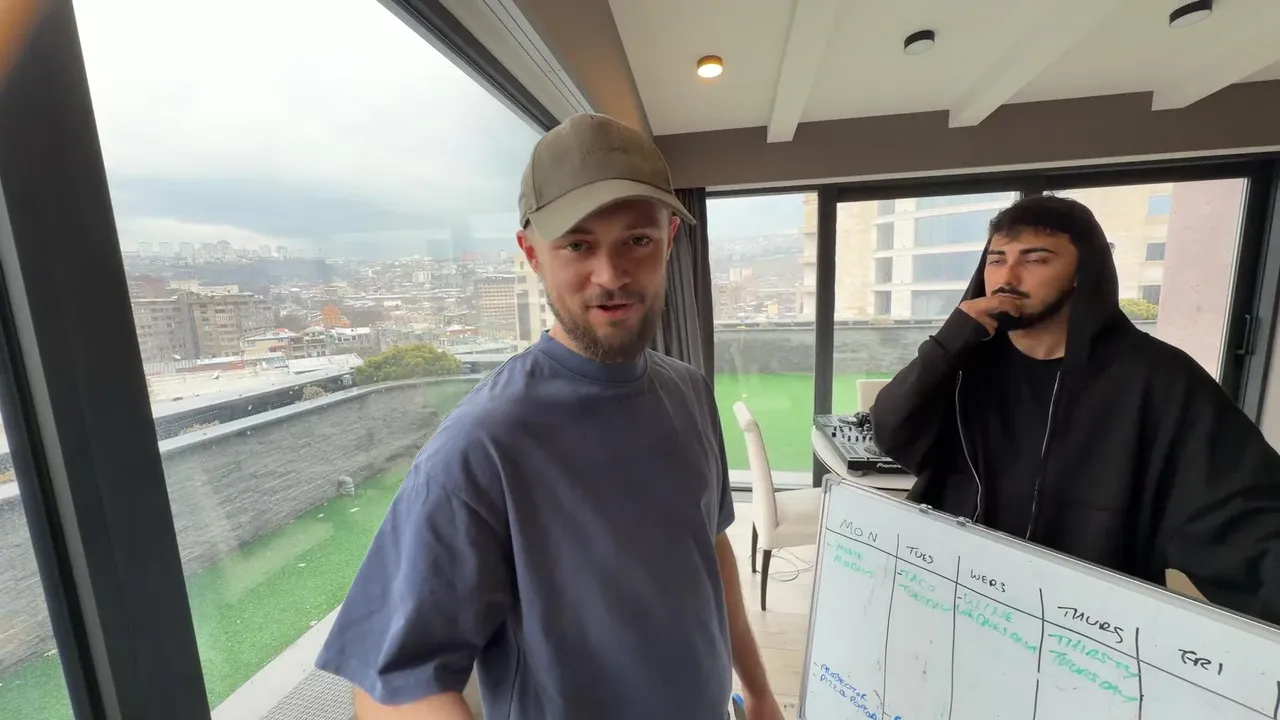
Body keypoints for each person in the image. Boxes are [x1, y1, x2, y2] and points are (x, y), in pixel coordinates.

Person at [315, 113, 784, 720]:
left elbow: (710, 550)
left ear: (669, 239)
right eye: (578, 245)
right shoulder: (483, 444)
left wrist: (759, 691)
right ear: (532, 253)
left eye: (636, 240)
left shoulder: (689, 392)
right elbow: (391, 687)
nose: (610, 275)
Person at [870, 194, 1280, 624]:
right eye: (996, 260)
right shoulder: (963, 362)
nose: (1007, 276)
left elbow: (1243, 515)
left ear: (1083, 273)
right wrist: (949, 340)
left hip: (1083, 625)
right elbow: (891, 431)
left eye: (1036, 259)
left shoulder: (1157, 377)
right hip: (948, 597)